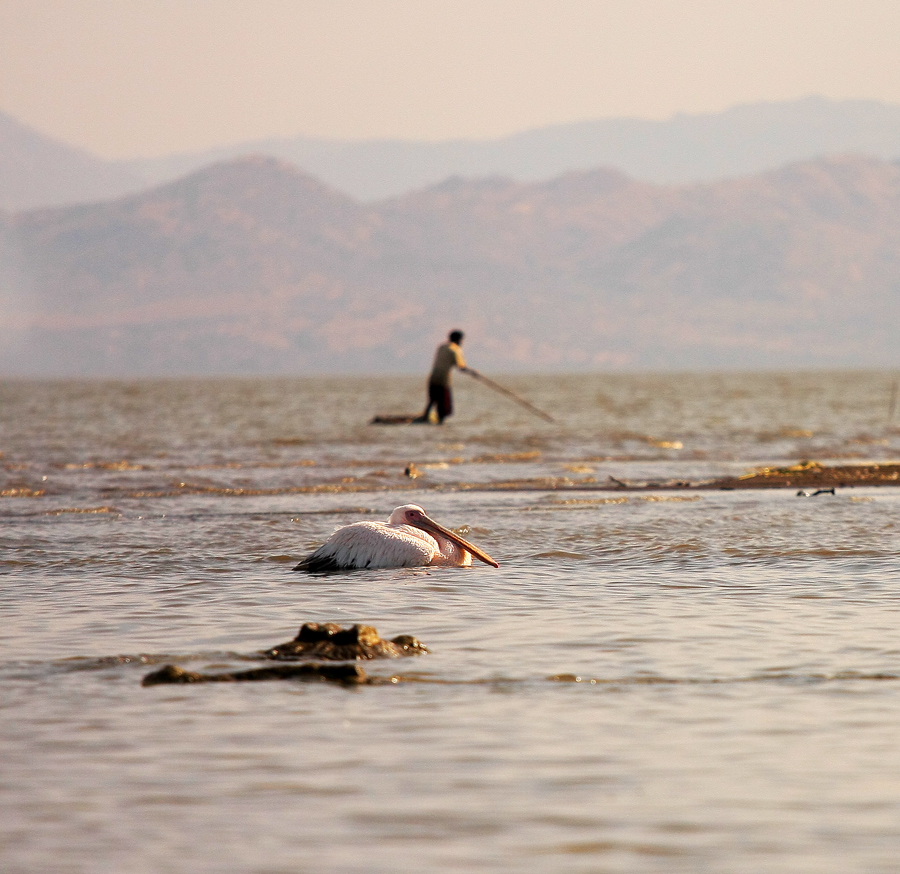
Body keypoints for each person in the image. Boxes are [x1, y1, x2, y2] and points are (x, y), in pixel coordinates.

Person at [415, 330, 477, 424]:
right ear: (458, 339)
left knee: (432, 400)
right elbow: (461, 367)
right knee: (443, 405)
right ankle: (440, 423)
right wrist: (472, 372)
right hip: (443, 380)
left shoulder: (442, 347)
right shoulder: (455, 349)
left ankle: (425, 418)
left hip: (433, 378)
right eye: (461, 340)